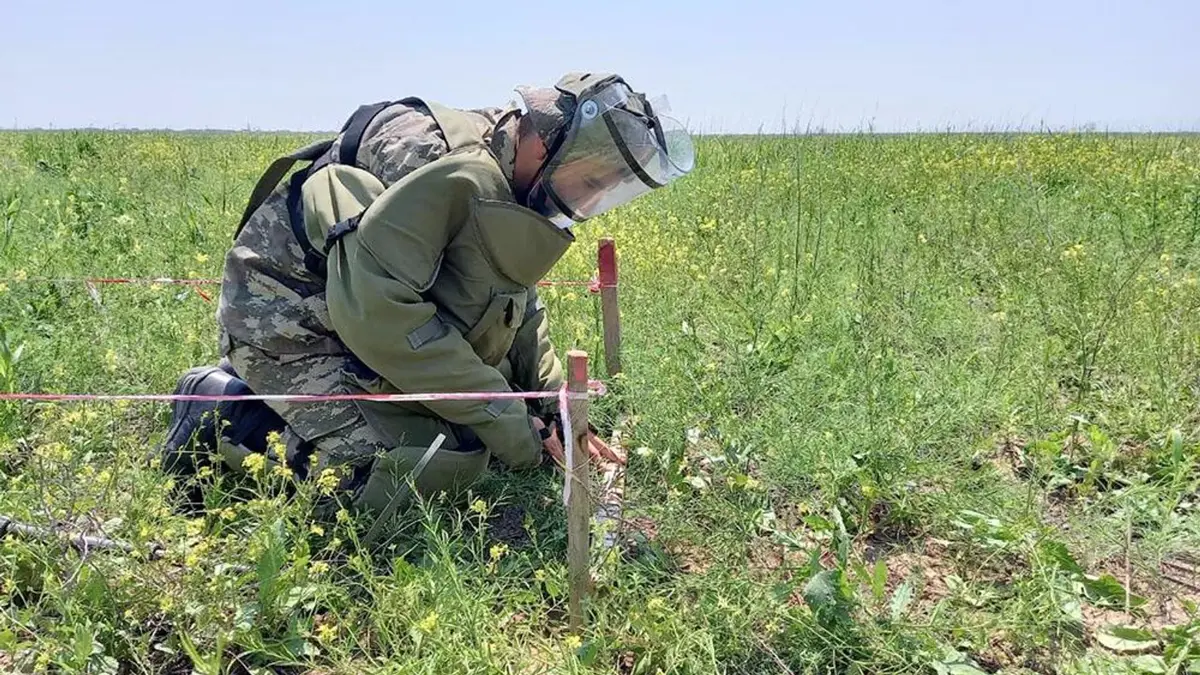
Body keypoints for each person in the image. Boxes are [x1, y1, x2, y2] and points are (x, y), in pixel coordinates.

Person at [157, 71, 695, 526]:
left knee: (472, 435)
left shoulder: (513, 172)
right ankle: (224, 408)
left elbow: (514, 303)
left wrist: (553, 407)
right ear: (542, 144)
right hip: (292, 322)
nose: (592, 198)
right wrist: (508, 423)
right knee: (429, 469)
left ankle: (273, 401)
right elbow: (383, 317)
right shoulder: (443, 167)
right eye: (591, 180)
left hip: (356, 313)